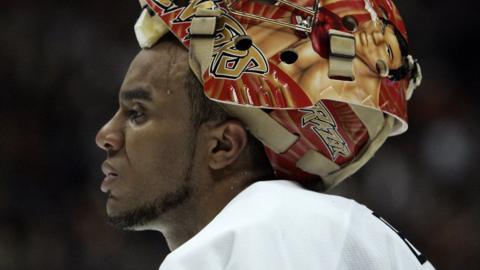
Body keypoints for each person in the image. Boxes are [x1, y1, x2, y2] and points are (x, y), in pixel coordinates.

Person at [95, 0, 432, 269]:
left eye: (137, 114)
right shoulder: (309, 227)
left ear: (223, 145)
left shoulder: (259, 228)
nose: (106, 135)